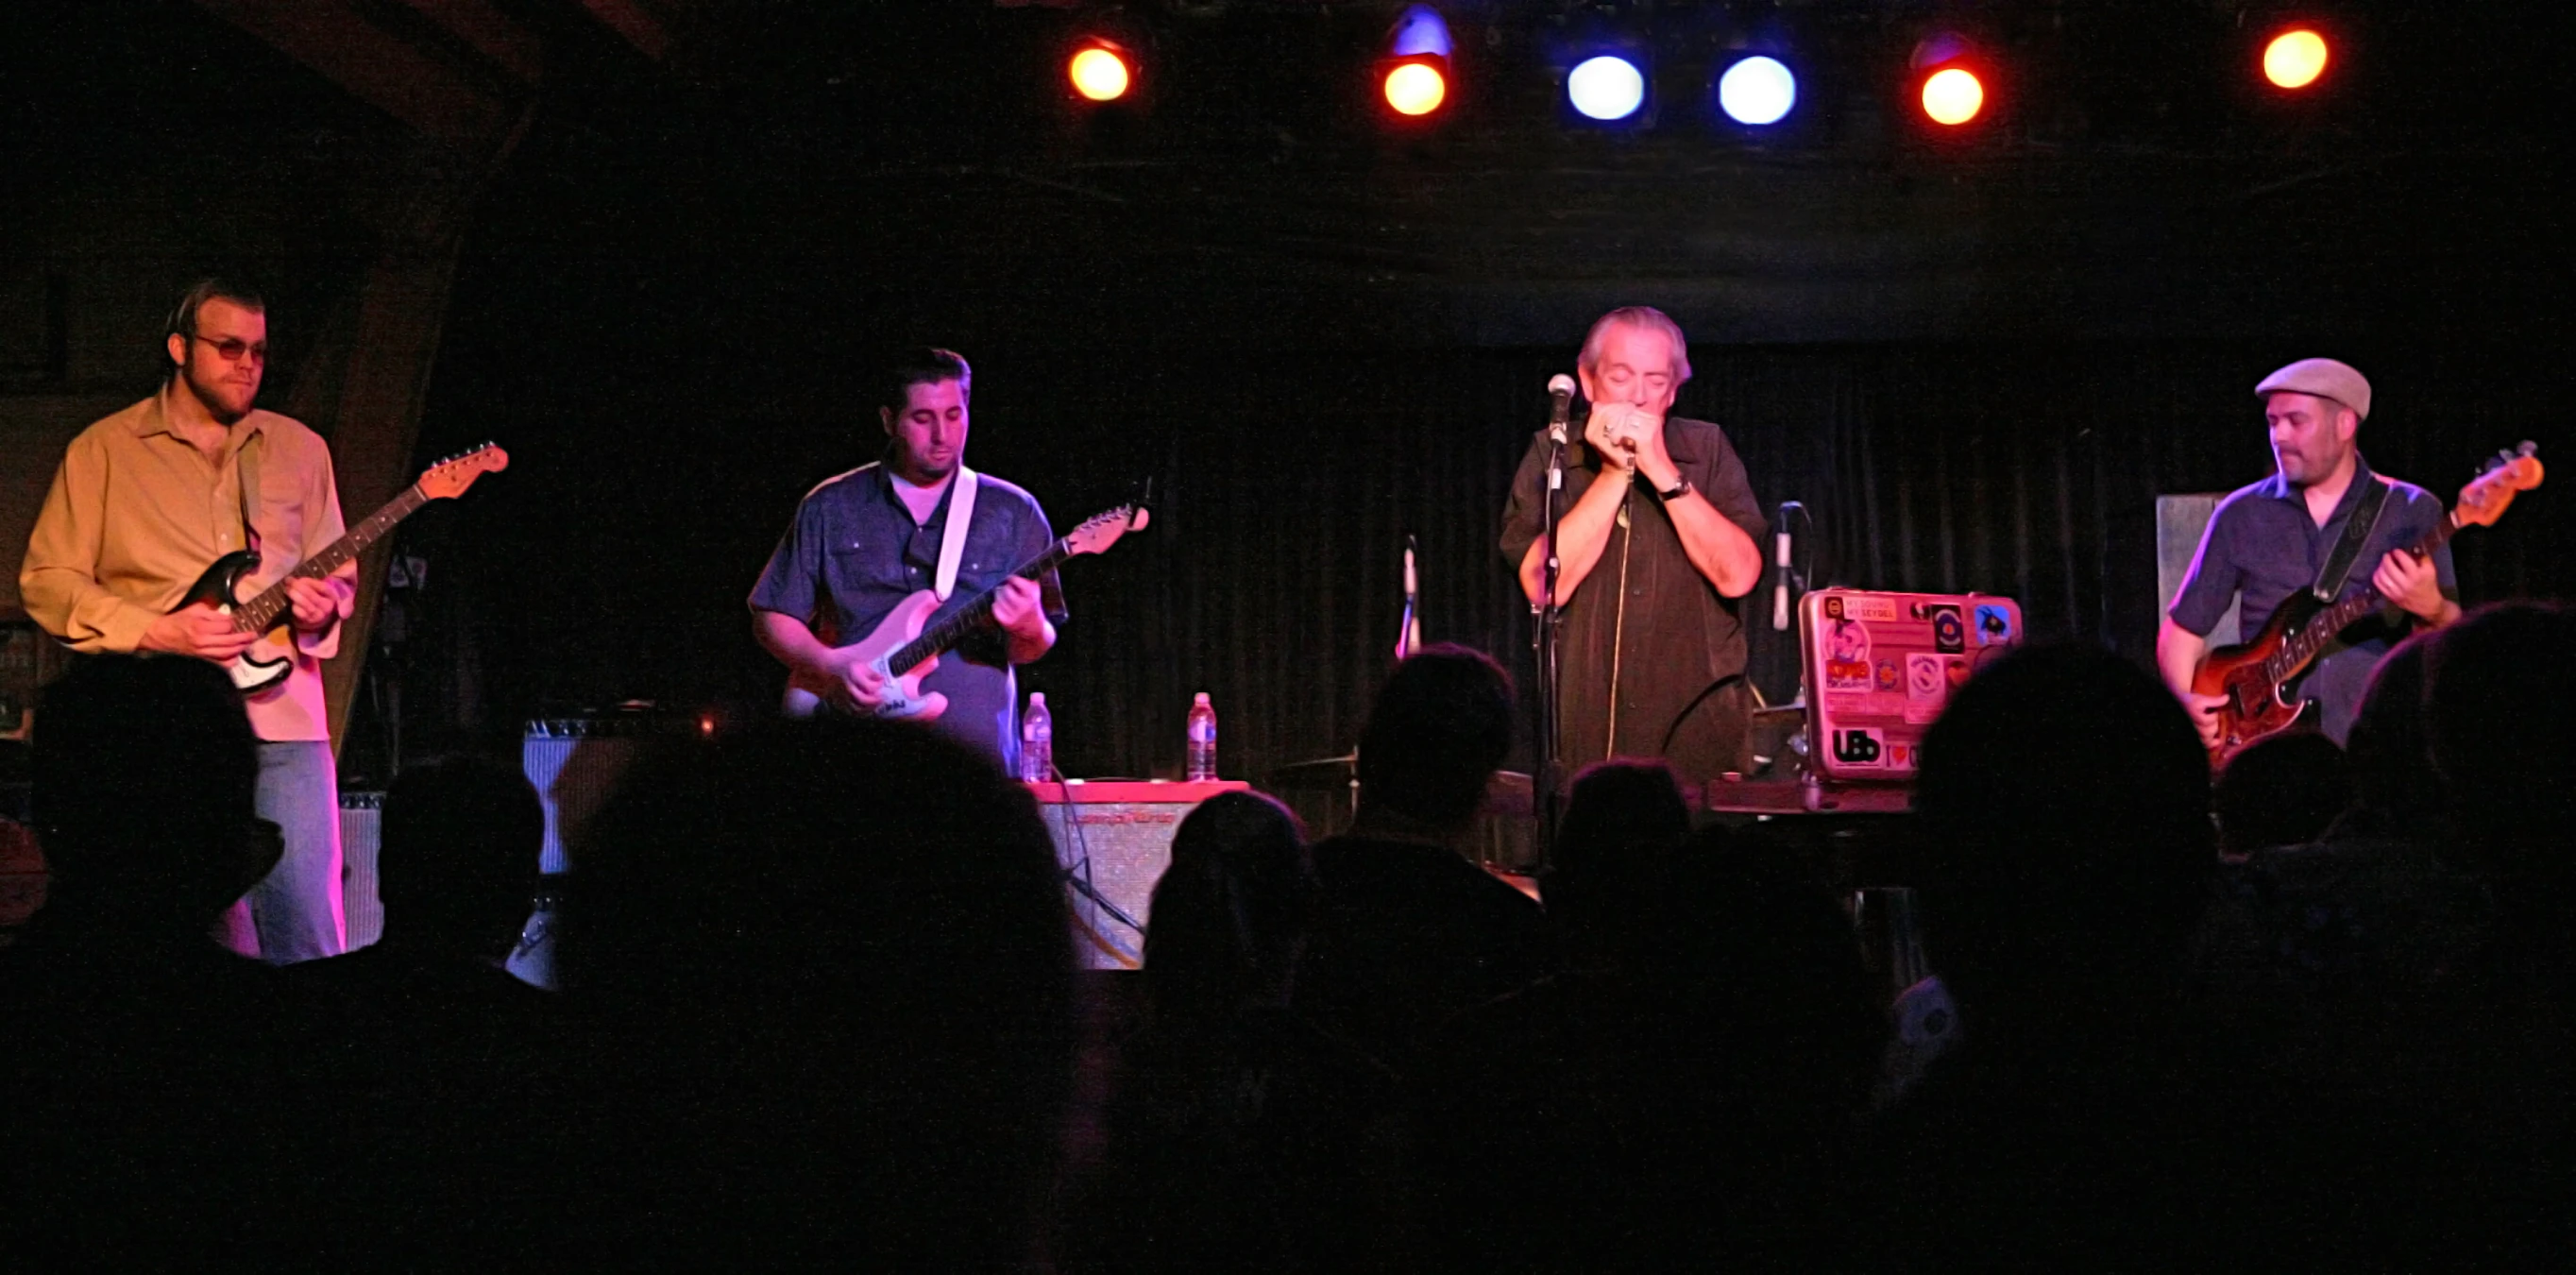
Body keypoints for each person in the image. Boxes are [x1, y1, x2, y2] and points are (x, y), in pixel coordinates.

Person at [19, 279, 357, 963]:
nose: (247, 364)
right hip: (162, 729)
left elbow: (337, 576)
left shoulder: (300, 449)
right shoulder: (105, 450)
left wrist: (326, 608)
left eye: (259, 351)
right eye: (228, 346)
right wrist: (157, 630)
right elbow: (48, 582)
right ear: (179, 347)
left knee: (307, 931)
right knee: (179, 932)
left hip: (286, 724)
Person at [749, 347, 1065, 771]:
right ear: (888, 421)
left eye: (954, 415)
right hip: (850, 745)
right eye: (922, 419)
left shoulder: (1013, 511)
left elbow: (1035, 645)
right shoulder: (830, 505)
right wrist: (828, 665)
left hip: (973, 764)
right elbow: (773, 617)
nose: (943, 435)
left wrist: (1030, 626)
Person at [1500, 306, 1767, 787]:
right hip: (1586, 722)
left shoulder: (1705, 449)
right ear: (1588, 379)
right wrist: (1612, 473)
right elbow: (1543, 585)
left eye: (1656, 381)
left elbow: (1740, 574)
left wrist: (1661, 466)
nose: (1639, 397)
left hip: (1698, 720)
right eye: (1621, 377)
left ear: (1674, 388)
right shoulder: (1554, 452)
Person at [2159, 358, 2458, 749]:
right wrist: (2185, 702)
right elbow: (2183, 629)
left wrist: (2432, 608)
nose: (2279, 436)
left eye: (2296, 421)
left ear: (2345, 425)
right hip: (2264, 748)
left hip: (2372, 742)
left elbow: (2451, 635)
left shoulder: (2411, 510)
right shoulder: (2240, 513)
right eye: (2272, 421)